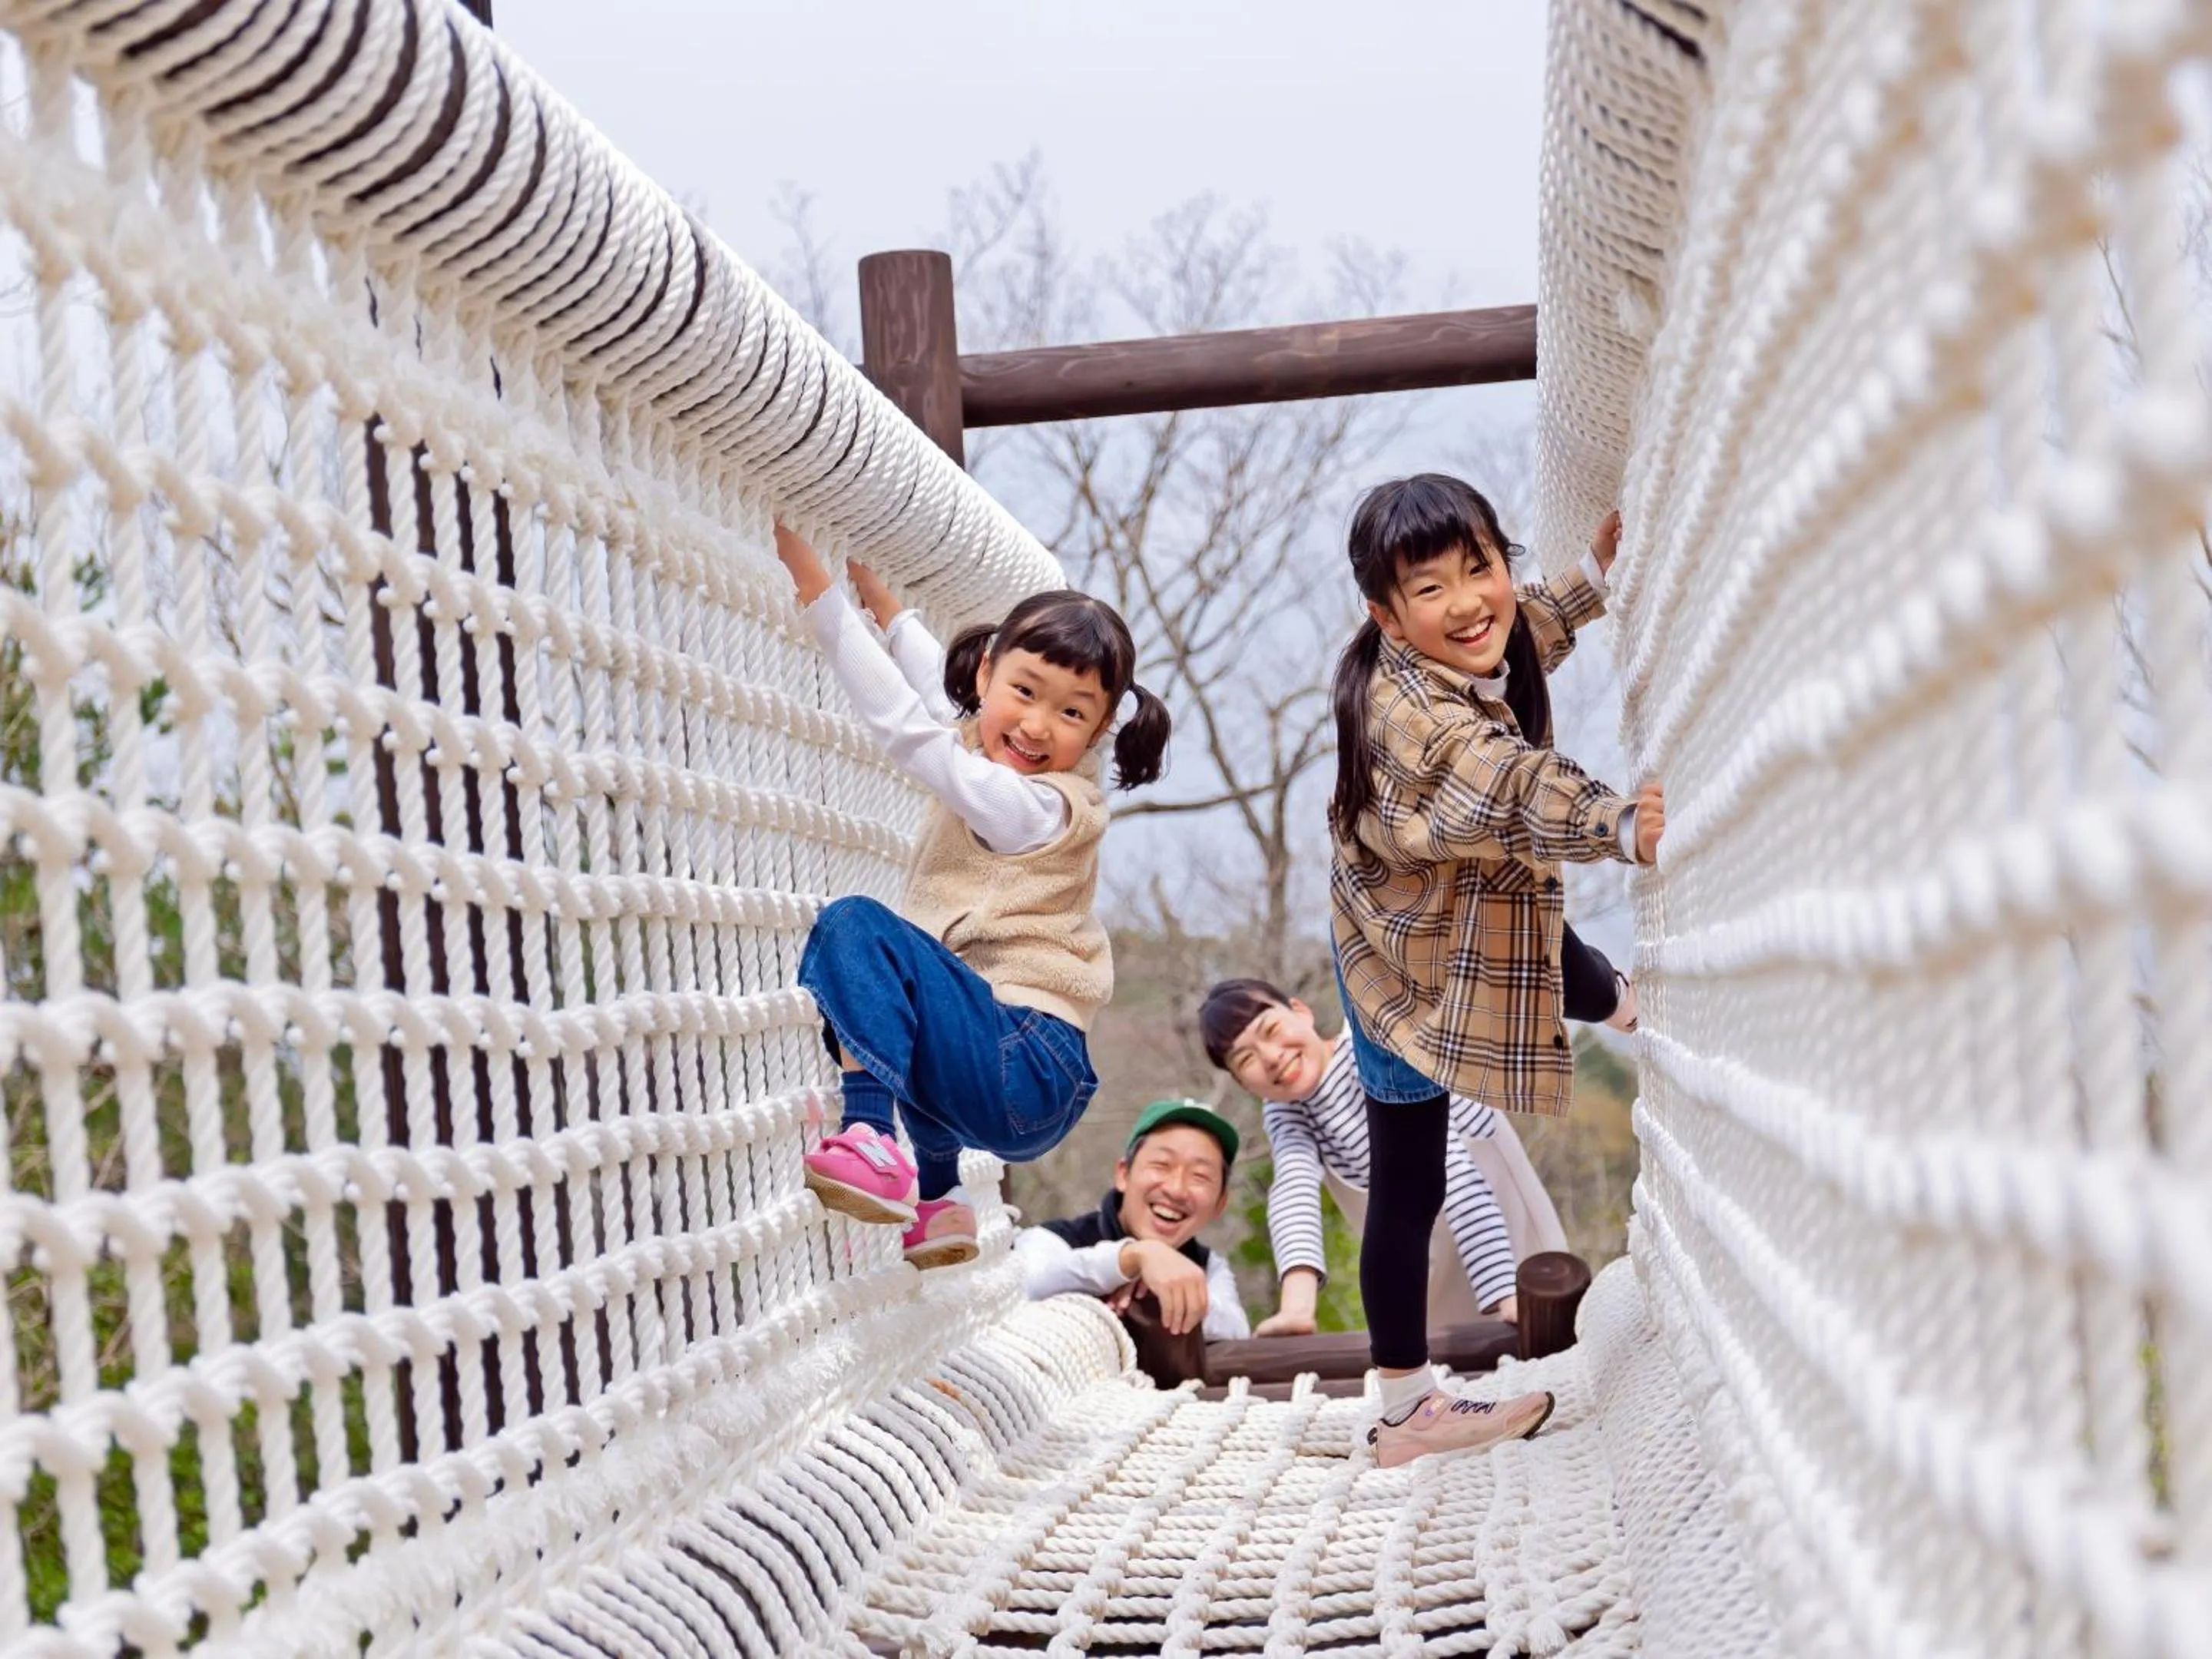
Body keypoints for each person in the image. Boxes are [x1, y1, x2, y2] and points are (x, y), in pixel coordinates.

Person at [1329, 475, 1665, 1467]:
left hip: (1447, 912)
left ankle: (1618, 1000)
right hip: (1404, 969)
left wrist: (1592, 581)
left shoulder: (1461, 642)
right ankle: (1402, 1413)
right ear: (1386, 616)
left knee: (1534, 931)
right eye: (1431, 589)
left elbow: (1522, 636)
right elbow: (1509, 784)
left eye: (1482, 567)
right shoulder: (1414, 719)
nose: (1469, 600)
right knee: (1410, 1182)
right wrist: (1619, 824)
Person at [770, 525, 1172, 1270]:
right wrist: (893, 618)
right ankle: (938, 1200)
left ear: (1100, 731)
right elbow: (947, 701)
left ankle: (873, 1139)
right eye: (1025, 692)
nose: (1037, 725)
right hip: (1022, 1067)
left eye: (1073, 713)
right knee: (918, 1016)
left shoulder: (1034, 805)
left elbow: (913, 734)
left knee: (856, 929)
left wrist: (823, 602)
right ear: (987, 674)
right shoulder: (999, 752)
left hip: (1024, 1057)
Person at [1200, 977, 1568, 1334]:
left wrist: (1505, 1292)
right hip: (1431, 1273)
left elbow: (1451, 1168)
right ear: (1242, 1084)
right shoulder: (1286, 1112)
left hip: (1499, 1230)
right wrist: (1297, 1307)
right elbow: (1293, 1191)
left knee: (1540, 1333)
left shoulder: (1376, 1049)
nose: (1272, 1057)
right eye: (1245, 1059)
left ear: (1301, 1011)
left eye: (1272, 1029)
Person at [1015, 1100, 1251, 1373]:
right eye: (1162, 1165)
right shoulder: (1053, 1239)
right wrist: (1130, 1258)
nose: (1176, 1189)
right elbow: (1026, 1285)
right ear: (1124, 1174)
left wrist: (1160, 1289)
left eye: (1200, 1176)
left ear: (1220, 1204)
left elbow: (1237, 1330)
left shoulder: (1210, 1266)